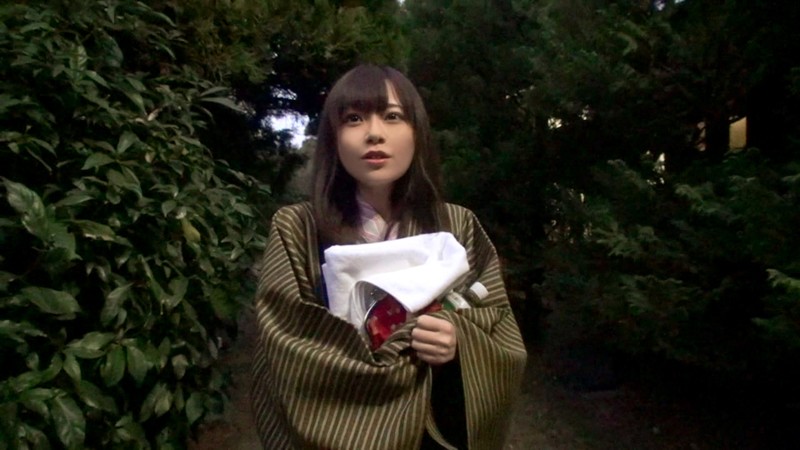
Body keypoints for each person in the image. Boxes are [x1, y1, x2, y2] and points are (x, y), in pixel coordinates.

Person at [251, 64, 527, 450]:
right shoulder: (297, 228)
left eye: (393, 116)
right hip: (340, 430)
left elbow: (499, 327)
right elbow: (283, 341)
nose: (374, 133)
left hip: (434, 429)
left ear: (417, 133)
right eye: (353, 119)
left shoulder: (458, 224)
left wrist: (459, 341)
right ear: (333, 138)